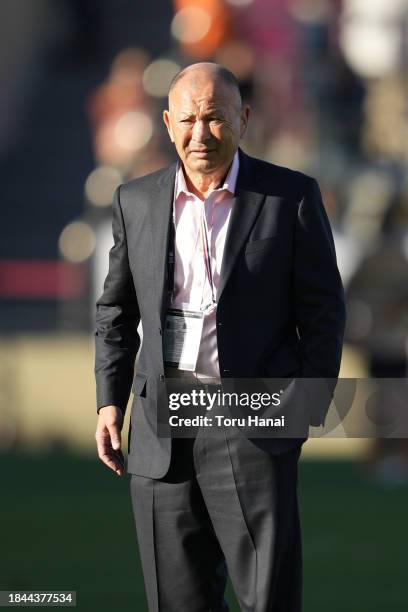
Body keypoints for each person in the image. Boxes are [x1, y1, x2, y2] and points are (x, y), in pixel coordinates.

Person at [94, 62, 346, 612]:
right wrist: (109, 401)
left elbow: (324, 308)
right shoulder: (134, 202)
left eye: (214, 118)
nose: (200, 133)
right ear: (166, 122)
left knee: (269, 599)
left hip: (255, 422)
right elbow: (114, 311)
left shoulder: (291, 197)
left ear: (244, 119)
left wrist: (306, 402)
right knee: (177, 600)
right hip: (163, 430)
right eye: (187, 120)